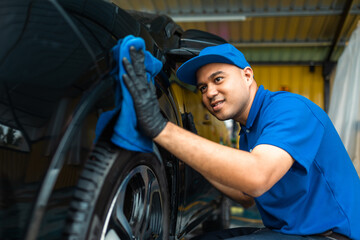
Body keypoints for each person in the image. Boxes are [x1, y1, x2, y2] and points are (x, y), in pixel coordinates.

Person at [122, 43, 360, 240]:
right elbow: (246, 196)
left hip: (332, 236)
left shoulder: (289, 109)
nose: (209, 93)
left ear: (247, 75)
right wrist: (191, 154)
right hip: (291, 232)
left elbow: (257, 177)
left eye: (218, 79)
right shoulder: (248, 131)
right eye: (203, 87)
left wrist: (161, 129)